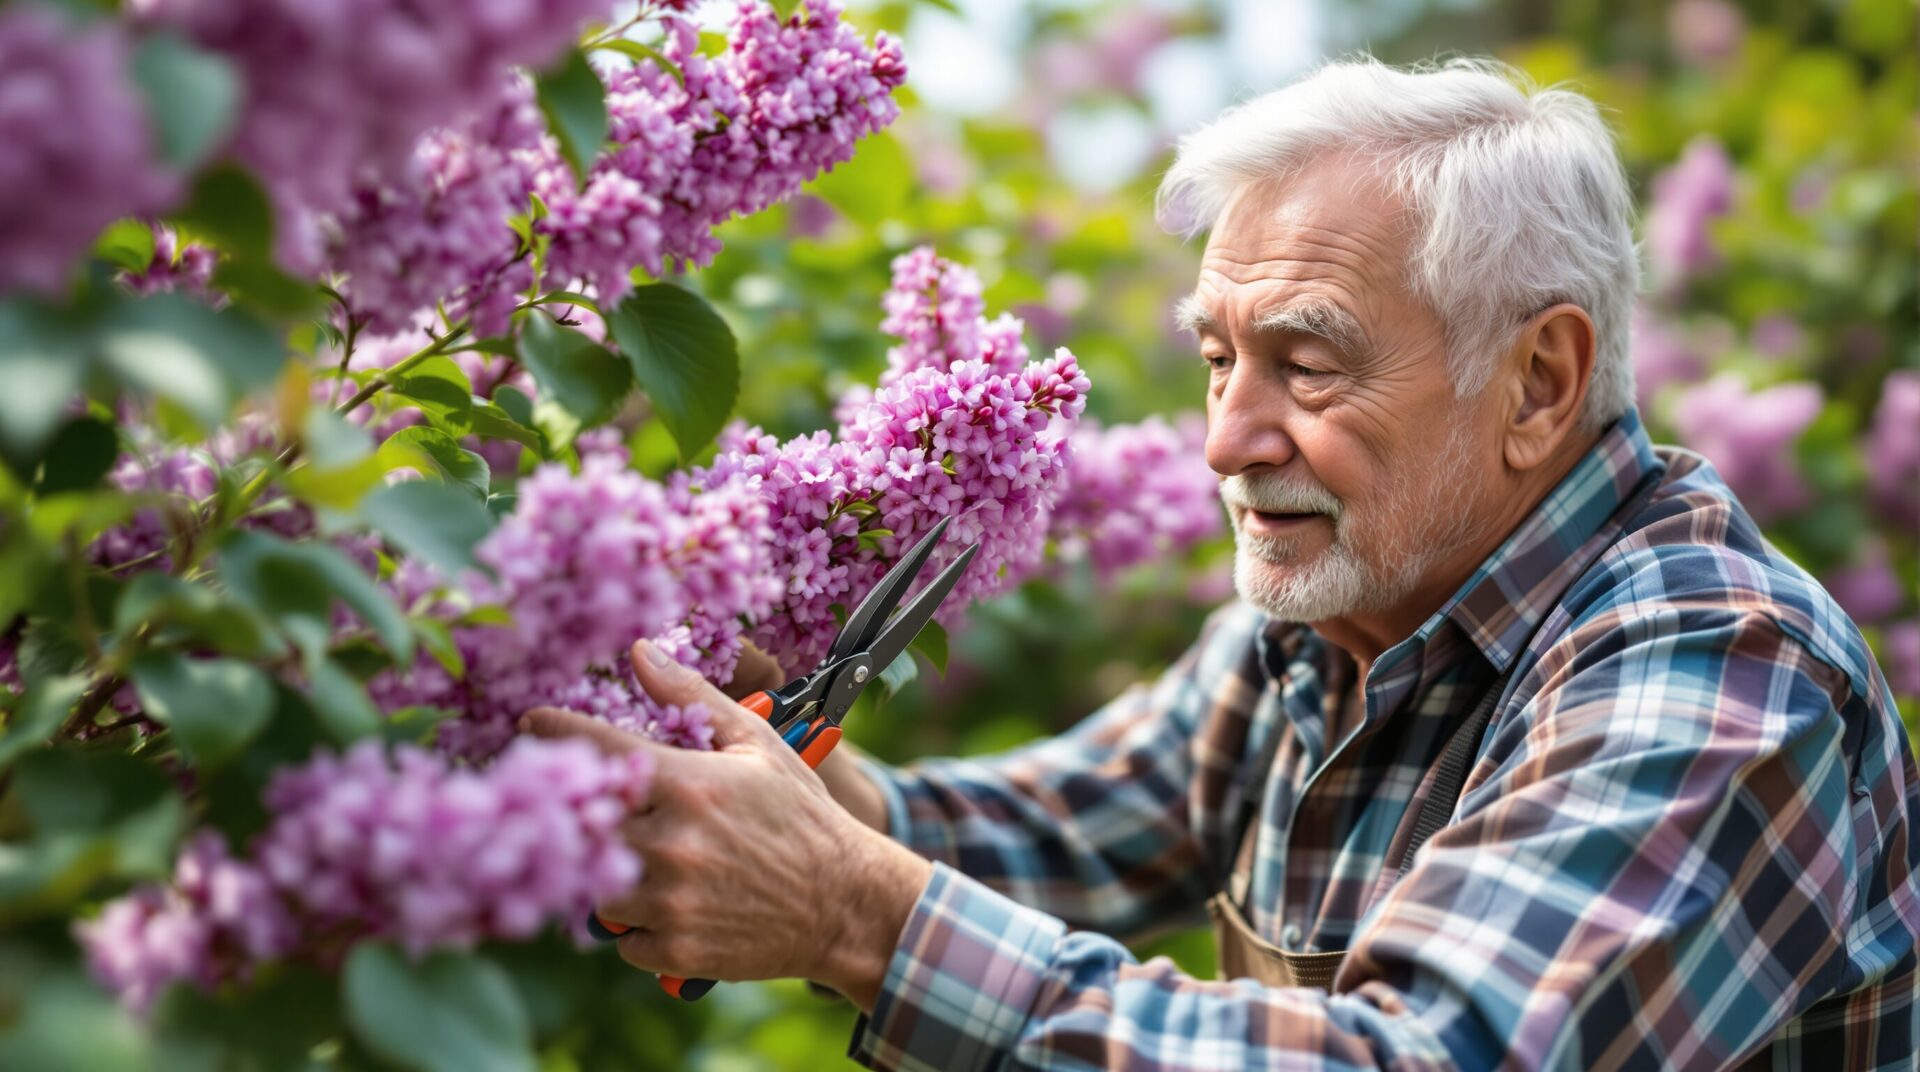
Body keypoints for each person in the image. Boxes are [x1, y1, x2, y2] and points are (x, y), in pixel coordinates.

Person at [525, 57, 1920, 1070]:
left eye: (1305, 366)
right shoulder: (1337, 620)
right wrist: (802, 782)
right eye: (1216, 361)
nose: (1227, 442)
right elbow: (1054, 836)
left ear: (1540, 383)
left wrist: (849, 909)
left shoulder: (1724, 671)